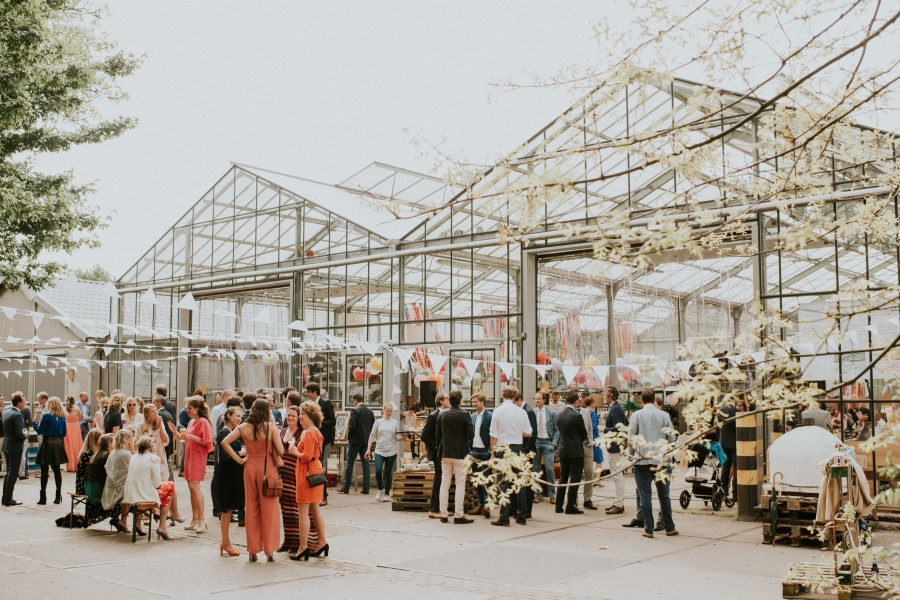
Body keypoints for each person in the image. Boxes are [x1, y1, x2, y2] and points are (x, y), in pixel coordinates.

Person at [221, 398, 285, 562]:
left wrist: (239, 459)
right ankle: (270, 550)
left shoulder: (243, 427)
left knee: (251, 508)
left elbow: (224, 442)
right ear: (266, 411)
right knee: (269, 509)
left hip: (249, 467)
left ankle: (252, 550)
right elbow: (281, 451)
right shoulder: (271, 428)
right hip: (267, 468)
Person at [629, 388, 678, 538]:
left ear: (642, 400)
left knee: (645, 495)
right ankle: (669, 527)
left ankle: (648, 529)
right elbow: (672, 439)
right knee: (664, 495)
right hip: (661, 460)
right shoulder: (664, 415)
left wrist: (631, 457)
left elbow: (632, 439)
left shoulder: (636, 415)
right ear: (654, 399)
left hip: (642, 460)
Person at [286, 401, 328, 561]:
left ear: (308, 415)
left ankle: (303, 547)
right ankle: (322, 542)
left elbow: (306, 456)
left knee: (303, 512)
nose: (300, 417)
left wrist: (295, 451)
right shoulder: (316, 431)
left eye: (302, 414)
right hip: (315, 472)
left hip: (307, 473)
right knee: (315, 509)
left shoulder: (309, 433)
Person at [168, 396, 213, 532]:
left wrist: (190, 437)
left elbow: (206, 441)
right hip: (190, 456)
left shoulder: (203, 421)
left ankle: (201, 519)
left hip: (197, 456)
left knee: (195, 488)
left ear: (197, 409)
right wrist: (174, 431)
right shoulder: (192, 421)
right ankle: (195, 518)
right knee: (191, 488)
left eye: (189, 408)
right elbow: (184, 438)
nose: (187, 410)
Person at [489, 386, 533, 526]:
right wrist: (516, 432)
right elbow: (529, 433)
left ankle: (504, 516)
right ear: (515, 397)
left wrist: (493, 453)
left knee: (504, 483)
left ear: (503, 395)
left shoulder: (498, 411)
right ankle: (522, 515)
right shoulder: (521, 412)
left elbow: (493, 435)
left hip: (503, 447)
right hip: (517, 447)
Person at [137, 404, 185, 524]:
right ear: (147, 414)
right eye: (153, 412)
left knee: (163, 484)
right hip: (145, 460)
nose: (156, 414)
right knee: (148, 486)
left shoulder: (159, 424)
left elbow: (166, 441)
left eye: (156, 412)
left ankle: (168, 513)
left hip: (159, 459)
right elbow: (136, 442)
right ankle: (148, 515)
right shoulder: (140, 426)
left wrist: (161, 427)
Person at [124, 436, 173, 540]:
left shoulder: (134, 457)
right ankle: (162, 526)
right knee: (170, 486)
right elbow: (157, 484)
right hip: (144, 494)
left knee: (143, 487)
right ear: (151, 446)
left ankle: (140, 523)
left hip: (131, 494)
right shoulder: (153, 458)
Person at [436, 390, 475, 524]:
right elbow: (471, 434)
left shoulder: (442, 414)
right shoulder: (465, 414)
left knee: (444, 483)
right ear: (460, 401)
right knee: (460, 484)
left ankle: (444, 514)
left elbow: (438, 435)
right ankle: (458, 515)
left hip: (445, 453)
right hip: (460, 453)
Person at [212, 406, 245, 557]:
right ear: (229, 416)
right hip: (227, 476)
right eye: (237, 416)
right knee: (226, 510)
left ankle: (226, 542)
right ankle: (225, 541)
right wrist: (242, 453)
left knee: (230, 509)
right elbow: (225, 457)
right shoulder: (223, 433)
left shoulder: (235, 433)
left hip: (234, 475)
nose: (240, 418)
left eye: (240, 416)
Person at [277, 406, 303, 554]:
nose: (290, 418)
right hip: (282, 474)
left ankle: (296, 541)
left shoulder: (302, 433)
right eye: (288, 415)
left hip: (294, 474)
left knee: (294, 507)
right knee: (285, 508)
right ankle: (287, 540)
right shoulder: (282, 431)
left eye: (293, 416)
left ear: (298, 417)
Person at [556, 391, 587, 515]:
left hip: (563, 449)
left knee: (563, 477)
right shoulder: (576, 416)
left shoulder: (559, 415)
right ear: (575, 402)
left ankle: (558, 505)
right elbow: (584, 434)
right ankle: (571, 505)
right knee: (575, 478)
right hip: (575, 450)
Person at [338, 393, 375, 495]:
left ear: (355, 401)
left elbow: (352, 426)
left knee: (349, 462)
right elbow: (372, 426)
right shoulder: (370, 411)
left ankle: (346, 487)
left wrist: (349, 437)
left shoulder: (355, 410)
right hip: (365, 440)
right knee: (365, 463)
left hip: (355, 441)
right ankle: (366, 488)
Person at [35, 397, 68, 505]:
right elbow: (64, 433)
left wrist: (35, 423)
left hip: (48, 442)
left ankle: (43, 497)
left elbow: (39, 431)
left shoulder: (46, 416)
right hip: (58, 443)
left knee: (44, 471)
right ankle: (58, 496)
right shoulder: (63, 417)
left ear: (50, 405)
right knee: (57, 470)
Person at [421, 392, 450, 519]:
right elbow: (424, 435)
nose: (449, 401)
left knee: (444, 480)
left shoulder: (447, 414)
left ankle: (442, 508)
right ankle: (433, 509)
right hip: (438, 452)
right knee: (438, 480)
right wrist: (437, 446)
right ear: (441, 401)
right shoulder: (434, 416)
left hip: (446, 452)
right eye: (447, 399)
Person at [365, 404, 402, 502]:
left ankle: (386, 493)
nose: (389, 413)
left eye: (391, 411)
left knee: (387, 471)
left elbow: (397, 436)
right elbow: (372, 435)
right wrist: (368, 449)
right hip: (379, 450)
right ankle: (379, 489)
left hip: (391, 450)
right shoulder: (378, 422)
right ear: (383, 411)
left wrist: (404, 438)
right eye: (387, 411)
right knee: (378, 470)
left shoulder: (395, 422)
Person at [306, 383, 335, 506]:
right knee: (315, 466)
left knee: (320, 466)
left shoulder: (326, 403)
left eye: (308, 392)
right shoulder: (309, 404)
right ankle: (317, 494)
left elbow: (333, 421)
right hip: (313, 438)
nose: (307, 394)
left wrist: (319, 423)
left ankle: (323, 496)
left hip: (324, 439)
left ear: (314, 392)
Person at [102, 430, 135, 534]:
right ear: (126, 440)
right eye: (130, 438)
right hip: (120, 489)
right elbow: (136, 467)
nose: (132, 441)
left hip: (109, 486)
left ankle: (121, 521)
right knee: (132, 490)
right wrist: (133, 450)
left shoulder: (113, 453)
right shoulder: (127, 454)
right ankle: (124, 521)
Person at [603, 386, 628, 515]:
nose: (603, 396)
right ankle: (618, 501)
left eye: (605, 393)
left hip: (615, 446)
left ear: (610, 395)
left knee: (617, 476)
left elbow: (618, 427)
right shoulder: (615, 408)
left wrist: (604, 429)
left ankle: (619, 503)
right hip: (614, 445)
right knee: (617, 475)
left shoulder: (616, 408)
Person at [467, 393, 493, 517]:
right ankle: (481, 505)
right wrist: (469, 449)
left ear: (483, 402)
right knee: (477, 481)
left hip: (485, 452)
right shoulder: (471, 417)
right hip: (474, 452)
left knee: (486, 480)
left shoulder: (489, 416)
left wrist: (490, 451)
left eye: (476, 402)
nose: (474, 404)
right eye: (472, 402)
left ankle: (487, 506)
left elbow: (493, 434)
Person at [514, 392, 538, 516]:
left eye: (514, 402)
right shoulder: (522, 410)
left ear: (518, 400)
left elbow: (533, 433)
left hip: (526, 451)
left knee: (527, 481)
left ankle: (527, 510)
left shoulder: (528, 411)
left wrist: (525, 450)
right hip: (523, 449)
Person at [532, 391, 558, 505]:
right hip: (536, 442)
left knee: (549, 469)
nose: (536, 401)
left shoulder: (551, 413)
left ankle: (552, 495)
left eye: (538, 399)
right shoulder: (532, 412)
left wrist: (554, 443)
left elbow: (557, 429)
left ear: (544, 400)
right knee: (535, 469)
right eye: (535, 399)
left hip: (548, 442)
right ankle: (535, 494)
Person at [2, 393, 27, 506]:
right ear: (18, 403)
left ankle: (5, 497)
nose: (25, 403)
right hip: (15, 446)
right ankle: (8, 499)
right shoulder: (18, 415)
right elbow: (19, 433)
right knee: (13, 473)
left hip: (6, 444)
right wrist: (25, 434)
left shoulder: (6, 412)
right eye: (23, 401)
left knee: (8, 472)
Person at [579, 395, 600, 510]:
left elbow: (590, 428)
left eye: (581, 397)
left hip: (587, 445)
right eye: (578, 397)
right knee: (576, 474)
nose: (580, 399)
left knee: (589, 473)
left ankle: (587, 499)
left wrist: (590, 441)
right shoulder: (571, 412)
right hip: (576, 447)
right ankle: (574, 500)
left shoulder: (586, 412)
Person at [717, 399, 737, 499]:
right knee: (737, 467)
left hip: (723, 442)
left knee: (725, 467)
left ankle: (724, 489)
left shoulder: (719, 411)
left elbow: (717, 428)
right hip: (735, 444)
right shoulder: (736, 411)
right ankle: (735, 492)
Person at [64, 396, 84, 472]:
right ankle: (77, 465)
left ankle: (70, 466)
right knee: (77, 445)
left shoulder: (65, 409)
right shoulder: (77, 408)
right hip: (75, 427)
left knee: (68, 446)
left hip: (68, 427)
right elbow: (80, 418)